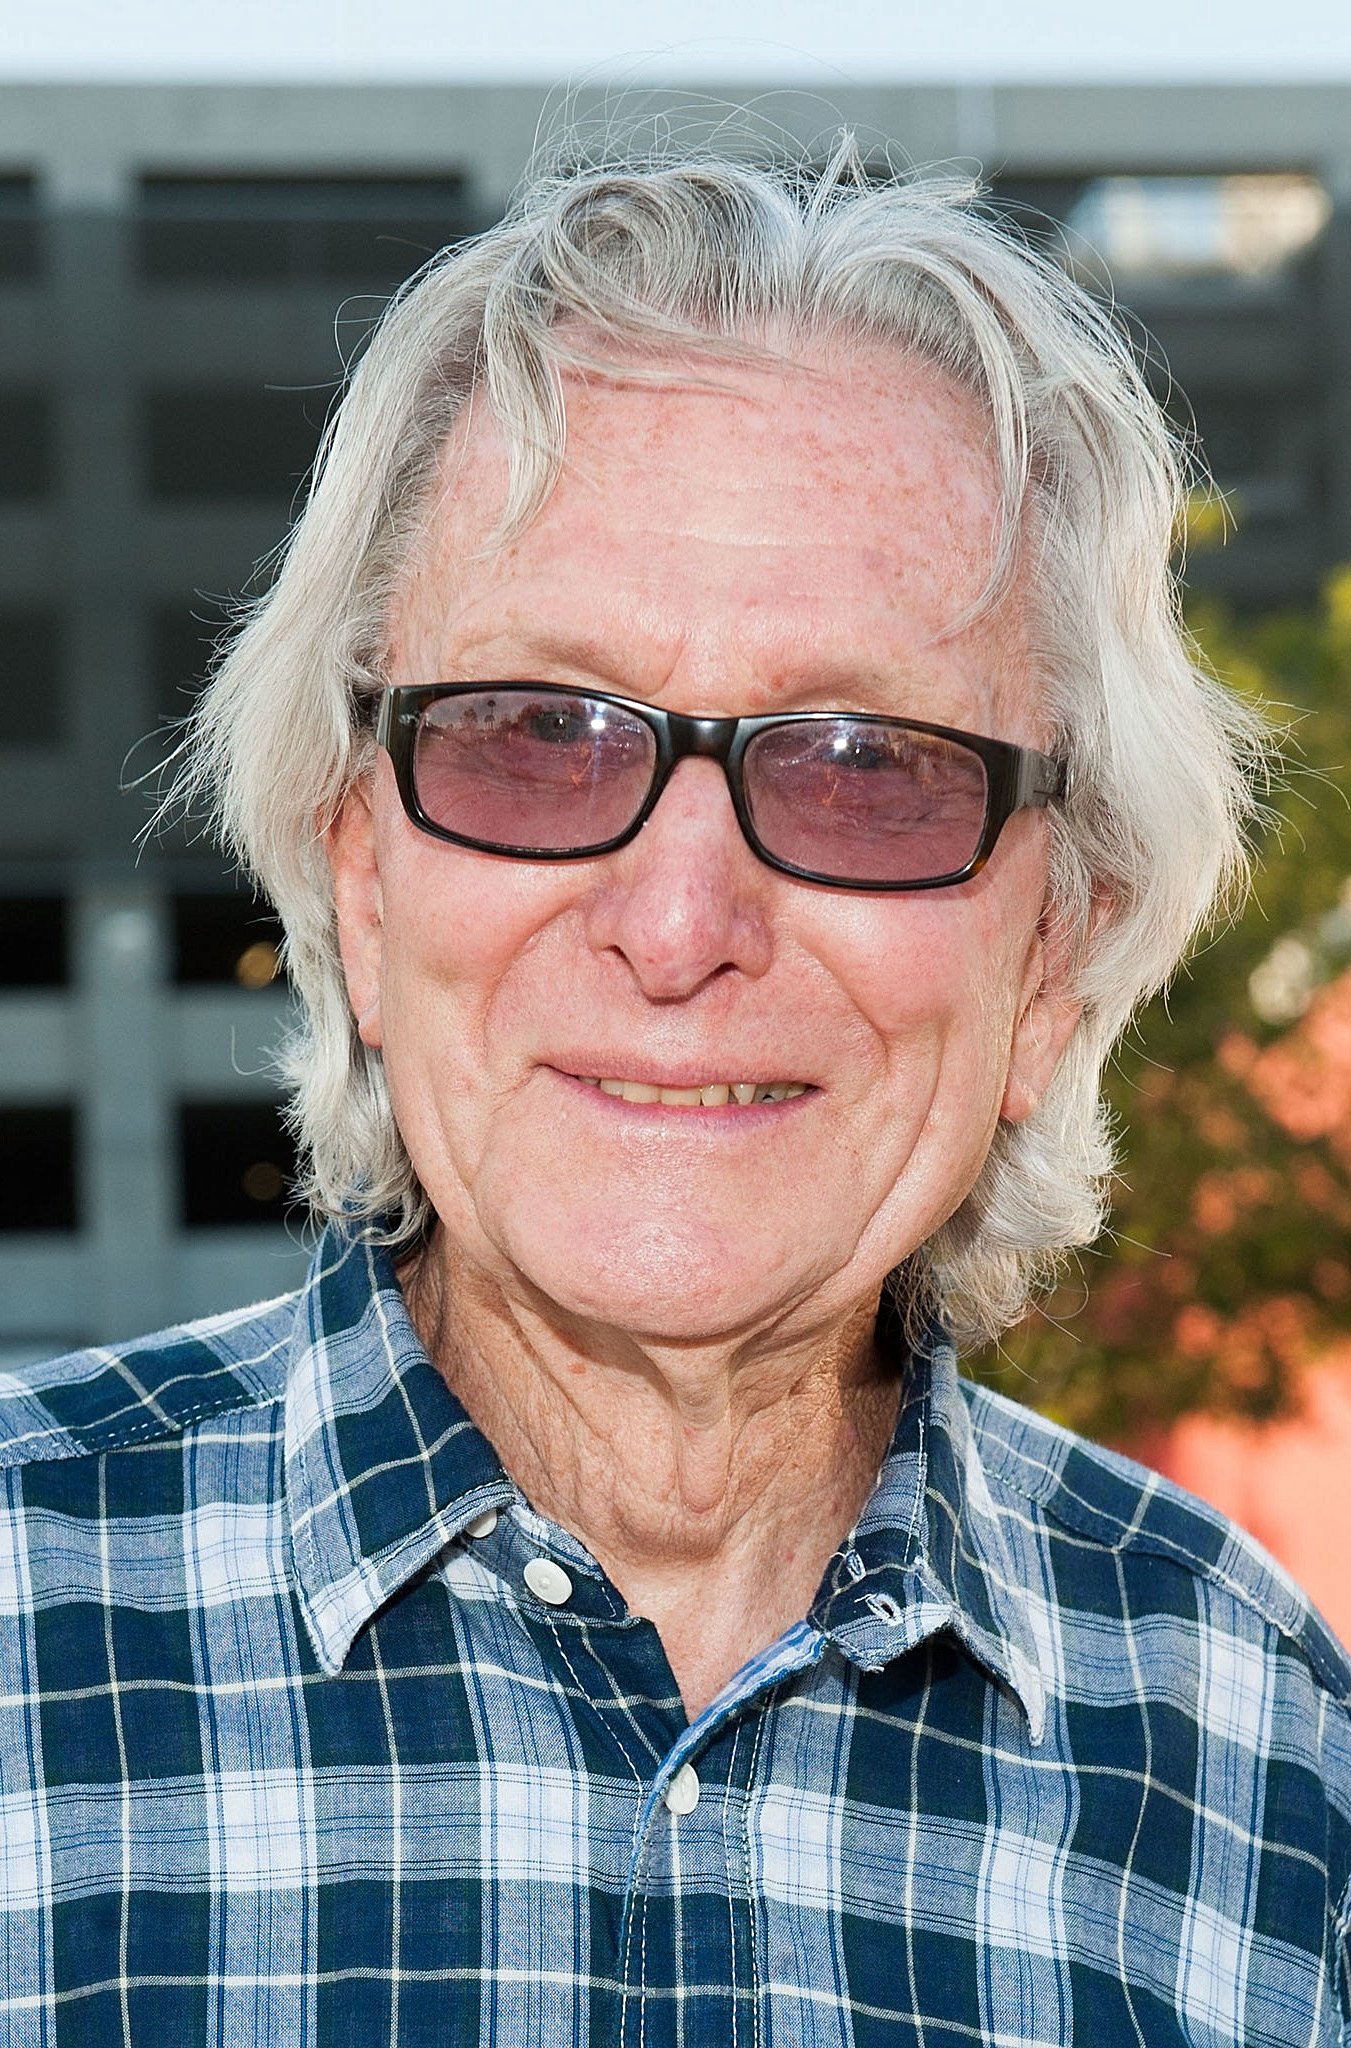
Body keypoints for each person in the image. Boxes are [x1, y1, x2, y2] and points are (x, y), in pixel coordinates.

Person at [2, 141, 1348, 2046]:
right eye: (538, 736)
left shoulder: (1266, 1759)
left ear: (1052, 959)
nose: (680, 923)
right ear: (362, 883)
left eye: (863, 765)